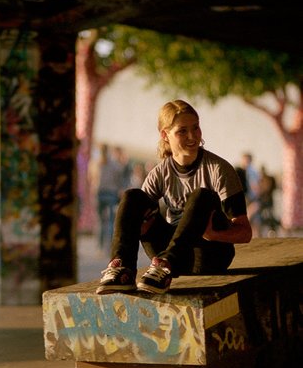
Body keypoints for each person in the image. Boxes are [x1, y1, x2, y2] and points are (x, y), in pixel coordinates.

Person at [96, 100, 252, 295]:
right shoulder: (159, 173)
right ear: (165, 135)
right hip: (169, 256)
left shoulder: (219, 169)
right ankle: (122, 270)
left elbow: (245, 232)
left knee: (202, 196)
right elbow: (139, 214)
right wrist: (141, 226)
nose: (192, 136)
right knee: (132, 196)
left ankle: (167, 264)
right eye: (182, 131)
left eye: (196, 128)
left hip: (208, 255)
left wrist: (214, 235)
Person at [93, 144, 125, 253]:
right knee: (111, 221)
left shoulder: (96, 163)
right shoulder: (114, 164)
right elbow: (120, 177)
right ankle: (110, 247)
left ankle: (99, 247)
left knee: (101, 221)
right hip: (111, 193)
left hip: (99, 193)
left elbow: (91, 178)